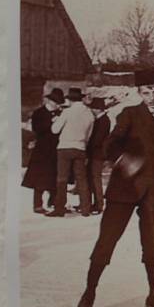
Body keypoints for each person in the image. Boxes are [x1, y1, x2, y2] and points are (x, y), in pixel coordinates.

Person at [76, 68, 154, 307]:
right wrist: (127, 162)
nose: (152, 97)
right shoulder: (129, 114)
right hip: (124, 189)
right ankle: (89, 291)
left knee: (153, 243)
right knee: (107, 240)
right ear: (139, 93)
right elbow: (109, 145)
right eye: (146, 92)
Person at [47, 87, 94, 217]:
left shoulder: (68, 112)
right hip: (81, 147)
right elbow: (89, 135)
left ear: (70, 100)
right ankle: (85, 208)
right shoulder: (89, 114)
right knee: (82, 179)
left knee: (62, 179)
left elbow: (55, 130)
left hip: (65, 147)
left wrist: (56, 120)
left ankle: (59, 208)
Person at [22, 88, 63, 213]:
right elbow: (37, 128)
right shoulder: (39, 113)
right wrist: (51, 123)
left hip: (56, 149)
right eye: (54, 101)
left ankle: (53, 202)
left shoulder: (60, 113)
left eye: (58, 102)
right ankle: (37, 205)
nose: (56, 104)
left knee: (54, 175)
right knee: (39, 177)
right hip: (42, 149)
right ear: (49, 100)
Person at [86, 97, 111, 215]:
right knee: (92, 178)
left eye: (93, 108)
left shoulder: (103, 121)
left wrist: (87, 145)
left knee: (95, 178)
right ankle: (95, 203)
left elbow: (97, 139)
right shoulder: (102, 119)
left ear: (97, 109)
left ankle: (99, 204)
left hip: (97, 154)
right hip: (97, 153)